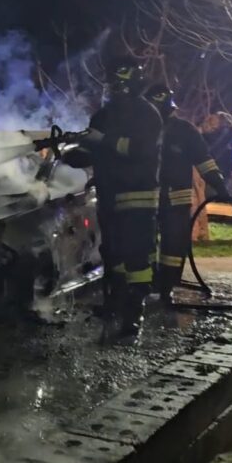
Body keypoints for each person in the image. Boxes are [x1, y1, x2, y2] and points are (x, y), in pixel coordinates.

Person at [58, 55, 163, 339]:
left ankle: (134, 313)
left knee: (137, 257)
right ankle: (114, 303)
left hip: (138, 197)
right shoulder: (103, 115)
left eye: (119, 82)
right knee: (113, 254)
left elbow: (140, 149)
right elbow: (91, 154)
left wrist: (102, 141)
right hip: (109, 195)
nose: (115, 88)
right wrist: (69, 153)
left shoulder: (147, 114)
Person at [143, 83, 229, 304]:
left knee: (173, 246)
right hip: (145, 201)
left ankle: (166, 287)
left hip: (174, 200)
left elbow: (204, 161)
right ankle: (147, 286)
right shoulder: (139, 131)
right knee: (145, 244)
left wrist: (219, 185)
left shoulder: (185, 130)